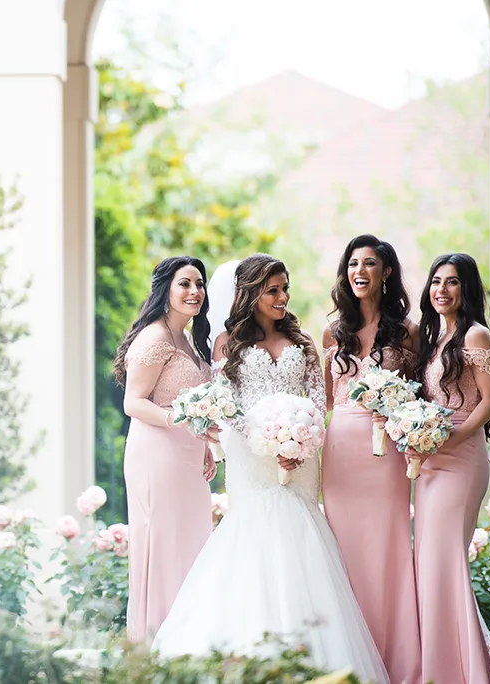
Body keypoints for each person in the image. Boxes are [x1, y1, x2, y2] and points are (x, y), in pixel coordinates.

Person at [151, 253, 388, 683]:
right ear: (251, 293)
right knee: (253, 536)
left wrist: (301, 441)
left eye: (285, 289)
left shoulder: (302, 341)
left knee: (304, 538)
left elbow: (320, 400)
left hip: (301, 459)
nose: (283, 298)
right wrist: (268, 442)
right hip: (251, 456)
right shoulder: (227, 343)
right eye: (273, 290)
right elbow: (229, 406)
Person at [320, 235, 421, 683]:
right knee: (342, 549)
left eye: (370, 263)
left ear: (387, 272)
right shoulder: (332, 332)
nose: (359, 271)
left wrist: (397, 416)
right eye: (353, 264)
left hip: (386, 453)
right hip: (340, 448)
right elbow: (322, 399)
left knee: (388, 546)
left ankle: (396, 661)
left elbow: (421, 395)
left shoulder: (408, 333)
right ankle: (348, 661)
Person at [413, 253, 490, 683]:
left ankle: (465, 671)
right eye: (436, 281)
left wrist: (453, 435)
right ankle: (440, 665)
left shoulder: (476, 334)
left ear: (466, 289)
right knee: (429, 563)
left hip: (462, 461)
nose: (441, 290)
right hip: (431, 462)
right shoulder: (436, 338)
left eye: (452, 282)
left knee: (446, 560)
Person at [114, 255, 216, 643]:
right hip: (156, 455)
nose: (194, 292)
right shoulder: (154, 337)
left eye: (199, 284)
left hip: (188, 458)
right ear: (166, 290)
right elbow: (133, 404)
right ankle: (155, 642)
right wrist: (184, 419)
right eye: (185, 284)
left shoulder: (188, 339)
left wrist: (203, 439)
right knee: (163, 544)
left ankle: (185, 641)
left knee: (190, 545)